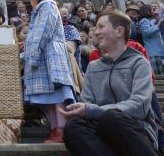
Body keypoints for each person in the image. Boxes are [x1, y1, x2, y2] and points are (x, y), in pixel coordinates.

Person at [61, 10, 158, 156]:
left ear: (119, 31)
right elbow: (87, 103)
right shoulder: (93, 67)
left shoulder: (139, 63)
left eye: (101, 27)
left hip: (135, 131)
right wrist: (80, 111)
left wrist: (93, 110)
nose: (96, 32)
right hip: (102, 132)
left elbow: (139, 106)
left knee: (112, 116)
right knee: (73, 127)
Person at [22, 0, 75, 144]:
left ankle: (62, 128)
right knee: (50, 96)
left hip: (49, 55)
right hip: (44, 55)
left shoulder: (48, 7)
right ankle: (55, 128)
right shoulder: (40, 9)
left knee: (57, 93)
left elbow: (42, 32)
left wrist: (33, 54)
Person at [137, 4, 164, 75]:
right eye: (152, 9)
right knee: (160, 77)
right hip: (154, 53)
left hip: (162, 52)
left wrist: (159, 19)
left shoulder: (154, 21)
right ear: (147, 10)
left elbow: (163, 32)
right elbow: (146, 33)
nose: (154, 10)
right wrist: (158, 24)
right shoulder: (144, 20)